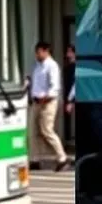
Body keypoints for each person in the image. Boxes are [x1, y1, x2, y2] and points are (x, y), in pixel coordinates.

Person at [28, 40, 71, 171]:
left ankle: (62, 158)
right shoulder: (37, 66)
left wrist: (45, 98)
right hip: (36, 102)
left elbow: (55, 87)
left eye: (39, 52)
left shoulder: (52, 66)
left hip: (48, 102)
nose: (37, 55)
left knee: (47, 130)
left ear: (46, 51)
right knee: (33, 131)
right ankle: (34, 159)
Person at [63, 44, 76, 144]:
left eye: (69, 52)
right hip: (69, 96)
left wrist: (70, 100)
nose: (67, 54)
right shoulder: (68, 67)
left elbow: (75, 85)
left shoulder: (75, 67)